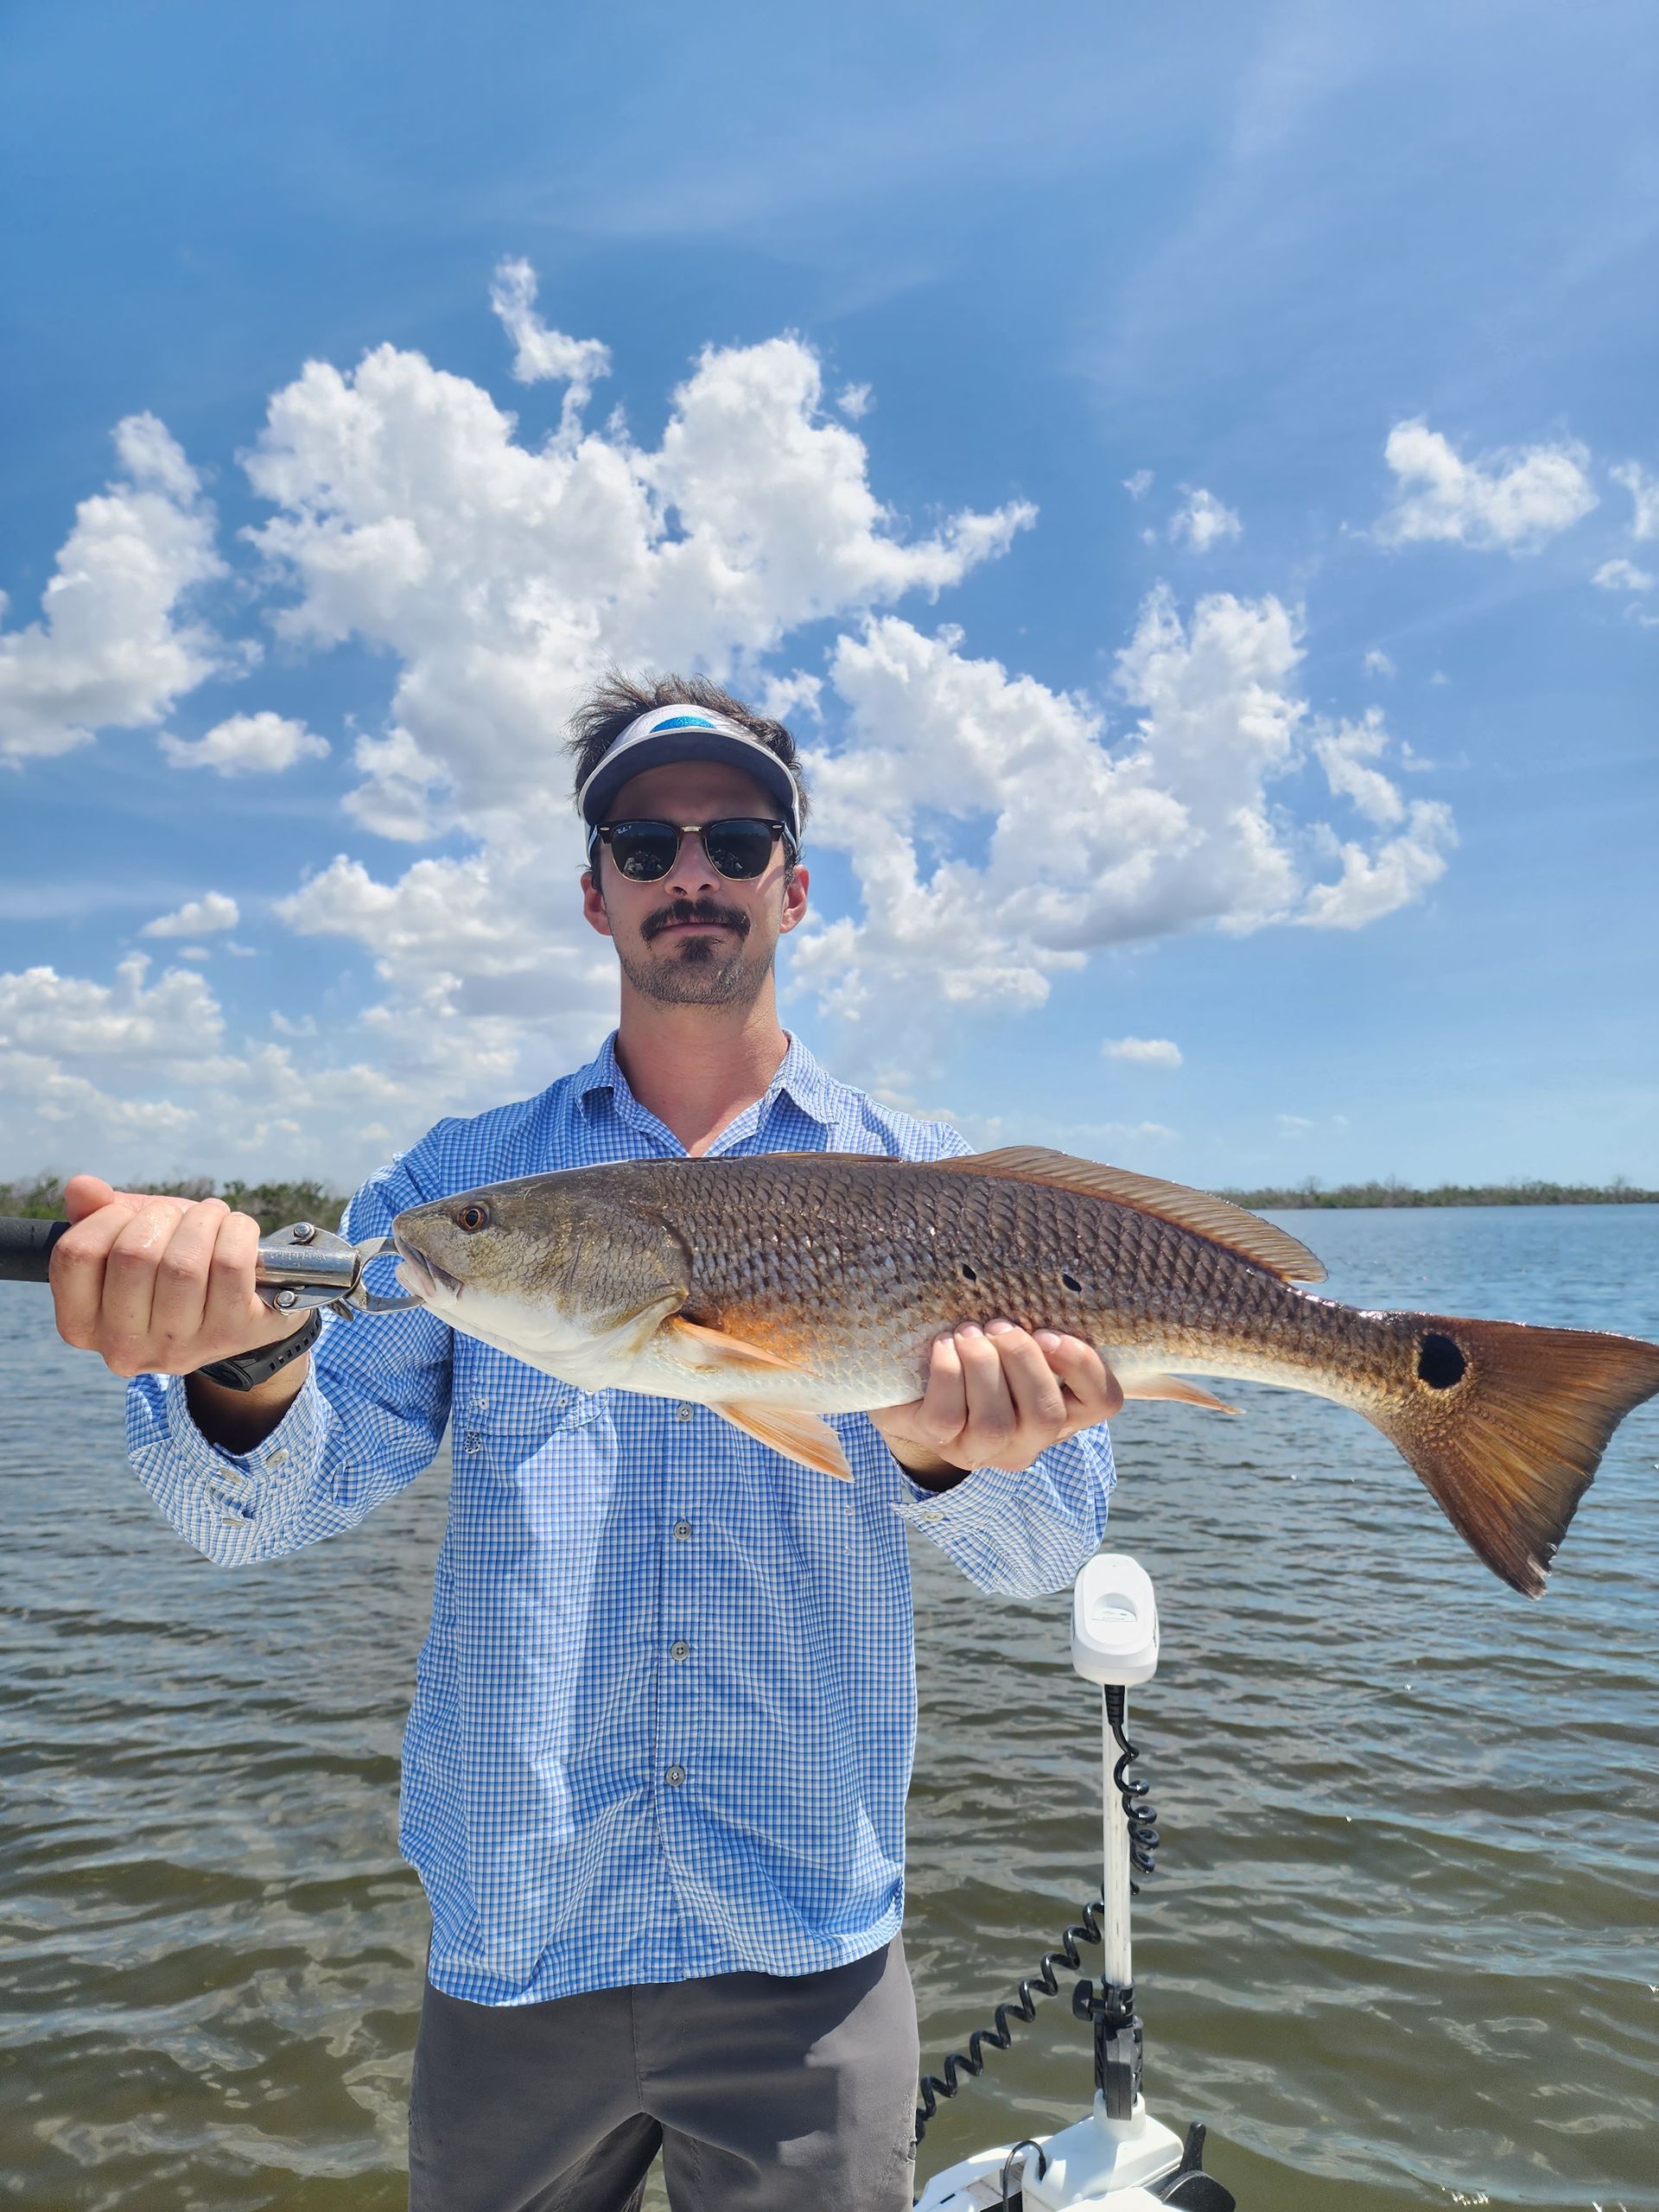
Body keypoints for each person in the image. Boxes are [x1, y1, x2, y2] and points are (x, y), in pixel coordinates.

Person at [49, 673, 1122, 2212]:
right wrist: (238, 1371)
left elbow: (1042, 1555)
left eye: (737, 838)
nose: (692, 872)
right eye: (644, 841)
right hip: (517, 1940)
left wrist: (957, 1450)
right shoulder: (465, 1191)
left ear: (794, 885)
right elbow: (253, 1515)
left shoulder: (937, 1187)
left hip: (805, 1945)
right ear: (596, 892)